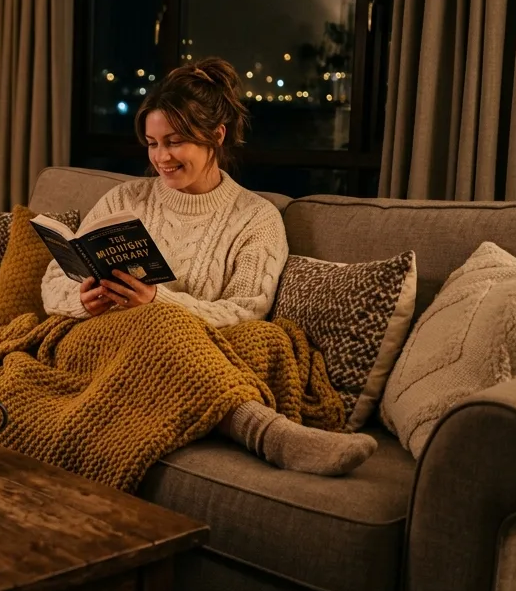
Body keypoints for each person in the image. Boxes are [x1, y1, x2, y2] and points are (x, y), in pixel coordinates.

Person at [40, 58, 376, 475]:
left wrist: (156, 301)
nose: (161, 157)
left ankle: (267, 432)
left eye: (175, 141)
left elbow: (247, 310)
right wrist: (81, 298)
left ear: (216, 136)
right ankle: (271, 435)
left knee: (186, 327)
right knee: (160, 324)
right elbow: (56, 277)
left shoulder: (255, 218)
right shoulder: (125, 199)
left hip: (176, 352)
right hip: (96, 340)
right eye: (152, 143)